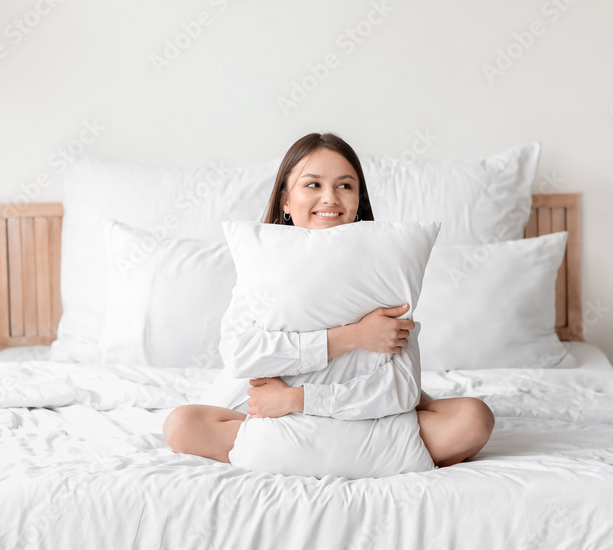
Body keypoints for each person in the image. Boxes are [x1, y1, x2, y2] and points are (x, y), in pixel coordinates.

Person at [162, 132, 495, 468]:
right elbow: (241, 354)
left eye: (345, 186)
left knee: (473, 418)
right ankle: (347, 449)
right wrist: (352, 337)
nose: (330, 198)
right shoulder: (265, 264)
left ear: (359, 202)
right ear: (285, 202)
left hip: (337, 406)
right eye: (312, 185)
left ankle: (297, 445)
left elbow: (401, 387)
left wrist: (297, 400)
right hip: (276, 409)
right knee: (181, 425)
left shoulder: (386, 264)